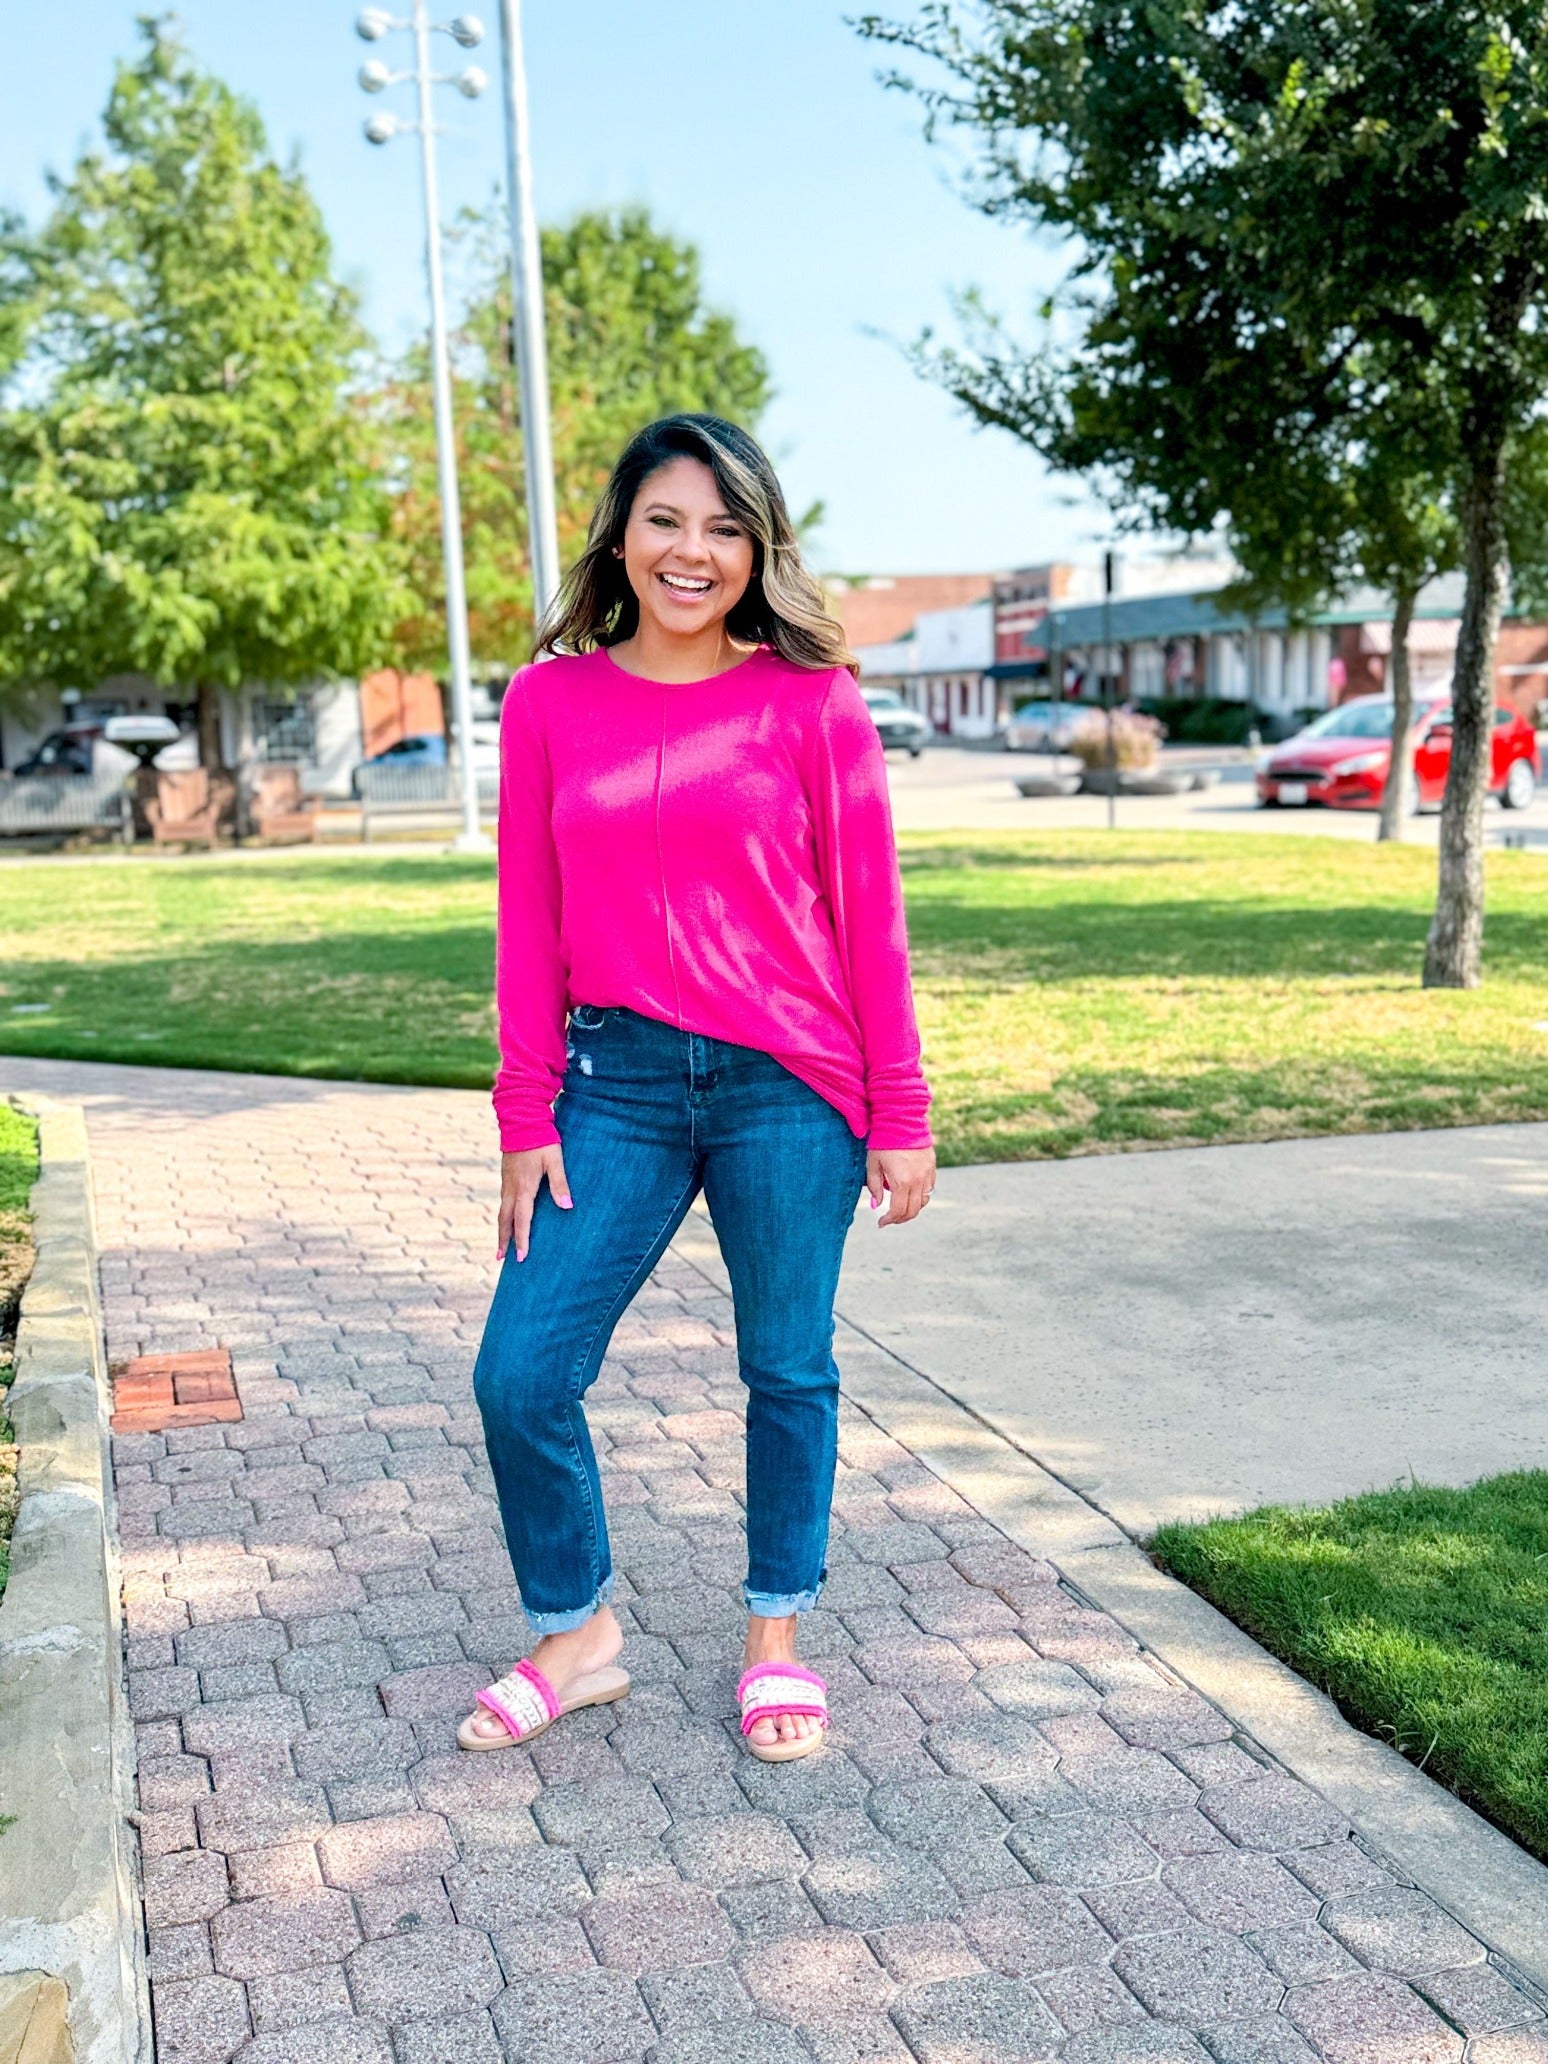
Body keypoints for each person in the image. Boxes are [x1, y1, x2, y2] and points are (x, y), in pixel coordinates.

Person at [458, 413, 935, 1765]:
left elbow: (869, 918)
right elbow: (527, 918)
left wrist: (899, 1112)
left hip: (789, 1086)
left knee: (787, 1366)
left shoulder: (812, 698)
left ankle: (775, 1634)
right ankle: (577, 1635)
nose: (695, 551)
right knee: (521, 1369)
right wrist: (524, 1112)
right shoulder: (551, 699)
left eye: (727, 528)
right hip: (612, 1085)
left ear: (758, 550)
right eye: (669, 520)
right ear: (621, 531)